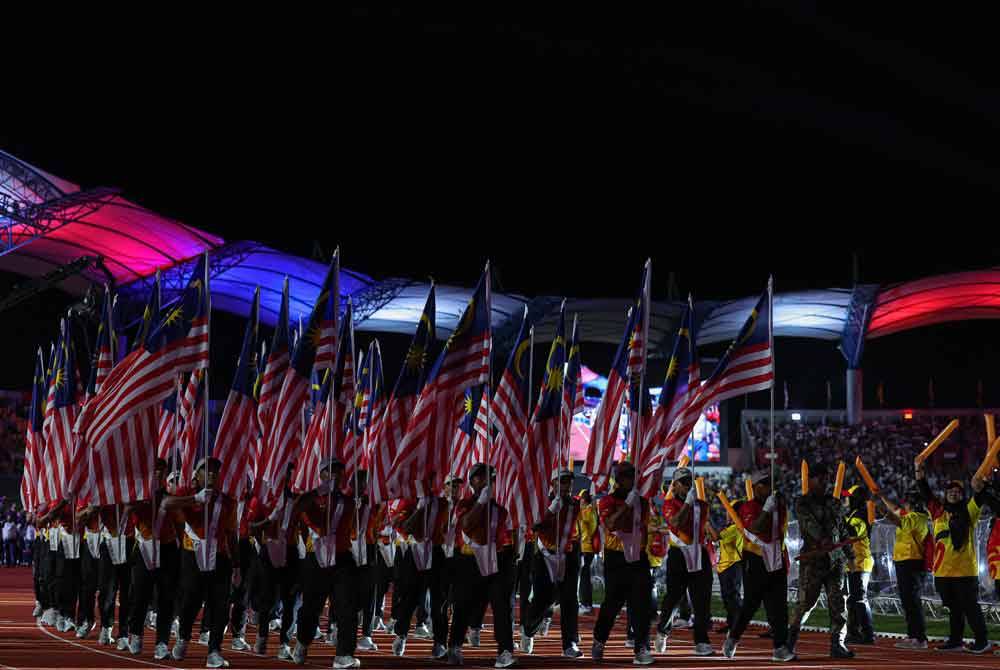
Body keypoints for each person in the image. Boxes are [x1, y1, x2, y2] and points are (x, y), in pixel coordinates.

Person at [163, 457, 238, 669]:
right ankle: (183, 637)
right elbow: (166, 503)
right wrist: (194, 499)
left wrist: (238, 565)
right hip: (192, 554)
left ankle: (214, 650)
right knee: (190, 602)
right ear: (197, 475)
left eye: (215, 470)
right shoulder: (187, 494)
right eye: (207, 470)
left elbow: (232, 534)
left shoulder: (227, 502)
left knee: (220, 605)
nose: (212, 474)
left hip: (220, 557)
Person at [292, 456, 363, 670]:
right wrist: (320, 492)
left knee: (347, 607)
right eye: (331, 471)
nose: (336, 475)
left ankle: (344, 654)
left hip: (341, 559)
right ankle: (303, 642)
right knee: (311, 609)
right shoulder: (311, 499)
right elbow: (299, 508)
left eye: (340, 472)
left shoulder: (348, 501)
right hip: (317, 560)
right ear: (321, 475)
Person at [915, 462, 993, 654]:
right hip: (942, 571)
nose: (954, 493)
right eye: (950, 490)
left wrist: (981, 483)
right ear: (945, 494)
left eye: (958, 491)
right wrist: (919, 473)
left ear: (962, 494)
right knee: (953, 608)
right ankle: (956, 641)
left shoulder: (969, 511)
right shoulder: (938, 513)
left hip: (965, 570)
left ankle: (982, 641)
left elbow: (979, 496)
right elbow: (926, 493)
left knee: (970, 607)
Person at [448, 462, 517, 668]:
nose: (486, 481)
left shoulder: (500, 511)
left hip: (494, 563)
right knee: (463, 606)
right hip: (468, 562)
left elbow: (504, 539)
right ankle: (455, 645)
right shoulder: (464, 505)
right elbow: (467, 525)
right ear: (472, 482)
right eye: (480, 477)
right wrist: (481, 503)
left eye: (489, 478)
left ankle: (505, 651)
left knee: (502, 607)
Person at [787, 462, 855, 659]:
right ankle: (790, 642)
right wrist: (822, 539)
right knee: (805, 603)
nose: (825, 482)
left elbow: (842, 529)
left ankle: (837, 644)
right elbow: (808, 524)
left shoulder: (834, 503)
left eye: (827, 478)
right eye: (821, 478)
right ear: (811, 480)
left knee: (839, 604)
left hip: (835, 561)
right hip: (813, 560)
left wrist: (850, 555)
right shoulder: (802, 502)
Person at [724, 470, 794, 662]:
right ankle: (733, 637)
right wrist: (767, 510)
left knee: (780, 606)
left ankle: (780, 647)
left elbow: (781, 532)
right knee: (750, 605)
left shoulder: (778, 506)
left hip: (776, 559)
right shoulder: (748, 507)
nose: (769, 488)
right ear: (755, 488)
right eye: (764, 484)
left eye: (770, 484)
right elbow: (756, 528)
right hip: (755, 560)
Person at [591, 461, 653, 665]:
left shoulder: (642, 503)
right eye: (627, 476)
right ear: (618, 480)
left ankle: (641, 648)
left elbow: (642, 527)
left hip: (638, 557)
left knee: (641, 604)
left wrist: (635, 503)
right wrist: (627, 505)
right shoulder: (607, 501)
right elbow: (610, 524)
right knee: (612, 604)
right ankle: (599, 639)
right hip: (616, 557)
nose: (631, 480)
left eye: (633, 476)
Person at [520, 470, 582, 658]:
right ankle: (528, 630)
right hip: (545, 555)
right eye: (562, 482)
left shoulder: (575, 504)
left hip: (567, 555)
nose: (567, 486)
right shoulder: (542, 503)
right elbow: (534, 526)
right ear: (553, 483)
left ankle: (570, 643)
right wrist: (550, 510)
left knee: (570, 600)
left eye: (569, 482)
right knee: (543, 599)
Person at [655, 467, 714, 657]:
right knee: (674, 597)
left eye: (690, 482)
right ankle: (663, 631)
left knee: (702, 599)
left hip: (699, 553)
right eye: (684, 482)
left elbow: (703, 528)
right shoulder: (669, 504)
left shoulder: (702, 505)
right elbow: (676, 523)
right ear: (676, 485)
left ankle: (701, 640)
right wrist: (688, 504)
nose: (688, 486)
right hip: (679, 554)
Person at [390, 474, 450, 659]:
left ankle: (440, 642)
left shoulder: (442, 504)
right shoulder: (408, 502)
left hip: (436, 552)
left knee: (439, 602)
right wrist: (420, 509)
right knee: (409, 598)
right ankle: (401, 634)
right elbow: (405, 527)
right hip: (415, 551)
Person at [125, 458, 179, 659]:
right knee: (140, 595)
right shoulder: (138, 497)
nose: (158, 474)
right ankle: (136, 634)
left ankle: (162, 642)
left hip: (167, 548)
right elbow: (128, 510)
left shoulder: (168, 496)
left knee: (166, 597)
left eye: (161, 471)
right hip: (144, 548)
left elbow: (178, 517)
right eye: (154, 470)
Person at [247, 462, 299, 659]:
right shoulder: (263, 499)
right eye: (289, 476)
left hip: (292, 551)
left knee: (290, 599)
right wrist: (268, 520)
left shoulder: (299, 499)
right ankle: (262, 637)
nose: (292, 480)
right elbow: (251, 527)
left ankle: (284, 643)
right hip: (269, 550)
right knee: (267, 597)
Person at [879, 483, 930, 650]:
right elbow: (896, 510)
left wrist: (881, 509)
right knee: (907, 601)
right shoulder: (912, 515)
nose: (903, 506)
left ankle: (920, 638)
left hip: (912, 562)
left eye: (906, 503)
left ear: (912, 504)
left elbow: (896, 518)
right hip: (904, 561)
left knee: (912, 601)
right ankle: (913, 635)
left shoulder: (916, 518)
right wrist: (882, 497)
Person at [842, 485, 875, 645]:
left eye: (848, 496)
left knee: (860, 599)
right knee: (852, 599)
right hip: (852, 562)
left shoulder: (861, 515)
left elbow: (853, 534)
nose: (845, 499)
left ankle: (868, 634)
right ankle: (853, 632)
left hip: (861, 562)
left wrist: (839, 519)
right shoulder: (854, 514)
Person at [576, 489, 598, 615]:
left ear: (583, 500)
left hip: (586, 548)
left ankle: (586, 604)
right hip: (585, 547)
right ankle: (585, 603)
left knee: (584, 577)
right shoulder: (590, 511)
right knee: (583, 576)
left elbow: (588, 529)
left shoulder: (587, 512)